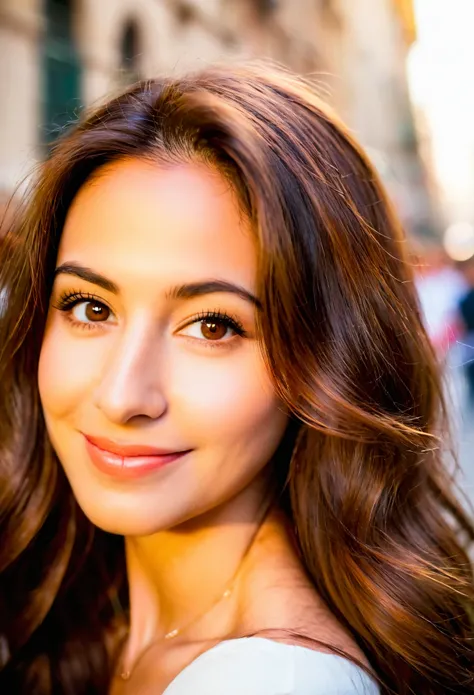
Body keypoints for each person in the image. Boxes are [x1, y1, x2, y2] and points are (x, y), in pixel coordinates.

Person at [0, 64, 472, 695]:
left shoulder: (280, 680)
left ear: (325, 358)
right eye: (90, 307)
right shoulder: (74, 610)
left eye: (214, 326)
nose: (121, 395)